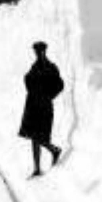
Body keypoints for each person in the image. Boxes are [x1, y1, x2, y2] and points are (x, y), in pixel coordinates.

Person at [19, 41, 64, 176]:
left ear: (44, 51)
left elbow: (59, 85)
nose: (38, 53)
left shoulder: (51, 67)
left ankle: (54, 150)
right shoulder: (34, 67)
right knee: (34, 137)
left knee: (40, 137)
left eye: (40, 51)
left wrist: (48, 96)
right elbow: (28, 82)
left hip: (44, 107)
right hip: (33, 107)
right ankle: (37, 168)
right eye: (36, 52)